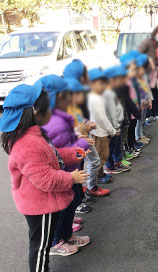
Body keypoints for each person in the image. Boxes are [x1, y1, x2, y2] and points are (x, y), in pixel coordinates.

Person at [0, 82, 88, 272]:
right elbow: (45, 179)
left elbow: (52, 156)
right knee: (40, 248)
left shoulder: (32, 135)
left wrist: (74, 154)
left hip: (41, 202)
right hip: (41, 205)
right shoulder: (27, 144)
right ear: (34, 113)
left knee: (41, 244)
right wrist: (71, 178)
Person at [40, 75, 91, 256]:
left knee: (74, 200)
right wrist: (83, 144)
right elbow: (58, 152)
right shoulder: (55, 122)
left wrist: (79, 139)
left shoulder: (57, 116)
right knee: (65, 206)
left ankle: (67, 235)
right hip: (64, 173)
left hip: (71, 170)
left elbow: (66, 142)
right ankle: (57, 242)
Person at [65, 78, 110, 198]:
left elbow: (81, 120)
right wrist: (85, 130)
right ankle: (88, 189)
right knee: (84, 163)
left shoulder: (74, 106)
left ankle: (85, 188)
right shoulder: (67, 109)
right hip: (78, 141)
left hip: (82, 140)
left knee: (85, 162)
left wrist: (89, 125)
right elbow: (69, 130)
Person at [87, 68, 117, 184]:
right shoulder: (97, 98)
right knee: (102, 156)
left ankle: (100, 173)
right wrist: (112, 130)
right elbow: (102, 118)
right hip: (101, 132)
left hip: (97, 131)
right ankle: (98, 176)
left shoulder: (92, 96)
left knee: (100, 155)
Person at [103, 65, 132, 174]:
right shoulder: (107, 93)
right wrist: (115, 128)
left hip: (117, 124)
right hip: (111, 126)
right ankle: (109, 167)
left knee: (117, 145)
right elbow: (109, 113)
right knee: (111, 147)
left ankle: (117, 163)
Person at [139, 25, 158, 122]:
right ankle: (147, 116)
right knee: (147, 94)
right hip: (147, 74)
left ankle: (156, 114)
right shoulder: (147, 43)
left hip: (156, 74)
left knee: (155, 94)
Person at [135, 53, 153, 145]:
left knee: (142, 120)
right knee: (139, 120)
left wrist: (149, 100)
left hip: (145, 99)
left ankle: (142, 135)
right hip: (140, 101)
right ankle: (138, 137)